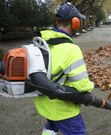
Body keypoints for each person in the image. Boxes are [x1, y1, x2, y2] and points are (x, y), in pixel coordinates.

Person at [34, 3, 94, 135]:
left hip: (45, 103)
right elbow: (82, 86)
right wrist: (91, 86)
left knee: (50, 127)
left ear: (57, 22)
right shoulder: (71, 49)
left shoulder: (43, 43)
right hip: (63, 108)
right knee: (79, 132)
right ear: (75, 23)